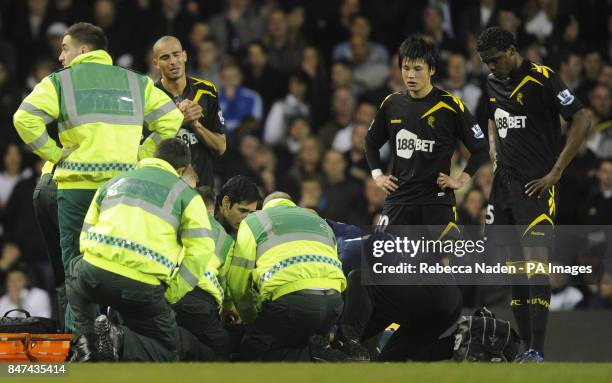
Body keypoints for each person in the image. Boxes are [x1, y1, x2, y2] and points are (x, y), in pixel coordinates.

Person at [13, 22, 183, 329]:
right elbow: (171, 119)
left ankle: (82, 347)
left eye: (65, 48)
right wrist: (141, 156)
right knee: (121, 268)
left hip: (78, 189)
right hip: (123, 193)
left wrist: (53, 154)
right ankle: (120, 344)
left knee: (76, 269)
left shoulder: (60, 83)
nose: (61, 56)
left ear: (83, 50)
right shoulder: (137, 83)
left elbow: (24, 118)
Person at [476, 26, 592, 362]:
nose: (490, 67)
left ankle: (537, 351)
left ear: (512, 51)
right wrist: (495, 154)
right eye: (485, 62)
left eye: (495, 60)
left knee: (536, 263)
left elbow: (582, 118)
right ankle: (525, 353)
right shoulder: (492, 81)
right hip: (504, 185)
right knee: (513, 268)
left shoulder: (543, 78)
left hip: (536, 184)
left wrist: (556, 172)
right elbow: (493, 118)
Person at [66, 138, 216, 362]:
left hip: (93, 274)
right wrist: (172, 293)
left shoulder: (115, 181)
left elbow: (86, 231)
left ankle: (86, 347)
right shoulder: (187, 196)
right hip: (142, 287)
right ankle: (118, 339)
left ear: (154, 156)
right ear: (182, 169)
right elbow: (201, 250)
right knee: (168, 350)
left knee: (74, 274)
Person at [364, 35, 489, 236]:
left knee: (445, 261)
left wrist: (460, 180)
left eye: (417, 69)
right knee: (384, 258)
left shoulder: (450, 105)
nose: (410, 75)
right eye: (405, 68)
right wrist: (377, 176)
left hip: (437, 201)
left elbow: (481, 148)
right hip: (399, 199)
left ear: (432, 70)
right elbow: (370, 143)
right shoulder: (391, 104)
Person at [226, 192, 347, 361]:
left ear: (265, 207)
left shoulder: (255, 221)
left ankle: (318, 357)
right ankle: (323, 355)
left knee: (252, 351)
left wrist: (250, 319)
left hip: (291, 301)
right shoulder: (320, 222)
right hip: (333, 303)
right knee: (300, 346)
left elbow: (237, 281)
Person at [167, 185, 247, 361]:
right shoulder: (224, 238)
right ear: (211, 209)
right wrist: (228, 308)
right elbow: (225, 280)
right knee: (221, 349)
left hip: (167, 292)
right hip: (200, 300)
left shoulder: (175, 218)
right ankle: (182, 341)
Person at [153, 36, 227, 187]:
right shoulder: (150, 97)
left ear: (184, 56)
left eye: (176, 54)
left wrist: (196, 125)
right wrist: (178, 121)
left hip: (203, 188)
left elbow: (221, 147)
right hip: (165, 188)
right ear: (156, 64)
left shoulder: (207, 91)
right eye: (165, 58)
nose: (173, 61)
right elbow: (144, 151)